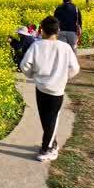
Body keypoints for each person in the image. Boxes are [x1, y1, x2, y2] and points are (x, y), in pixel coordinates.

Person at [19, 16, 81, 163]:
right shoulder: (65, 47)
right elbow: (75, 68)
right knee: (51, 119)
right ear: (58, 31)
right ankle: (49, 147)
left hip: (41, 88)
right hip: (57, 90)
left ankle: (49, 146)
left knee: (45, 118)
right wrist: (64, 78)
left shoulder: (36, 46)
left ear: (42, 31)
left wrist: (33, 75)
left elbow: (24, 66)